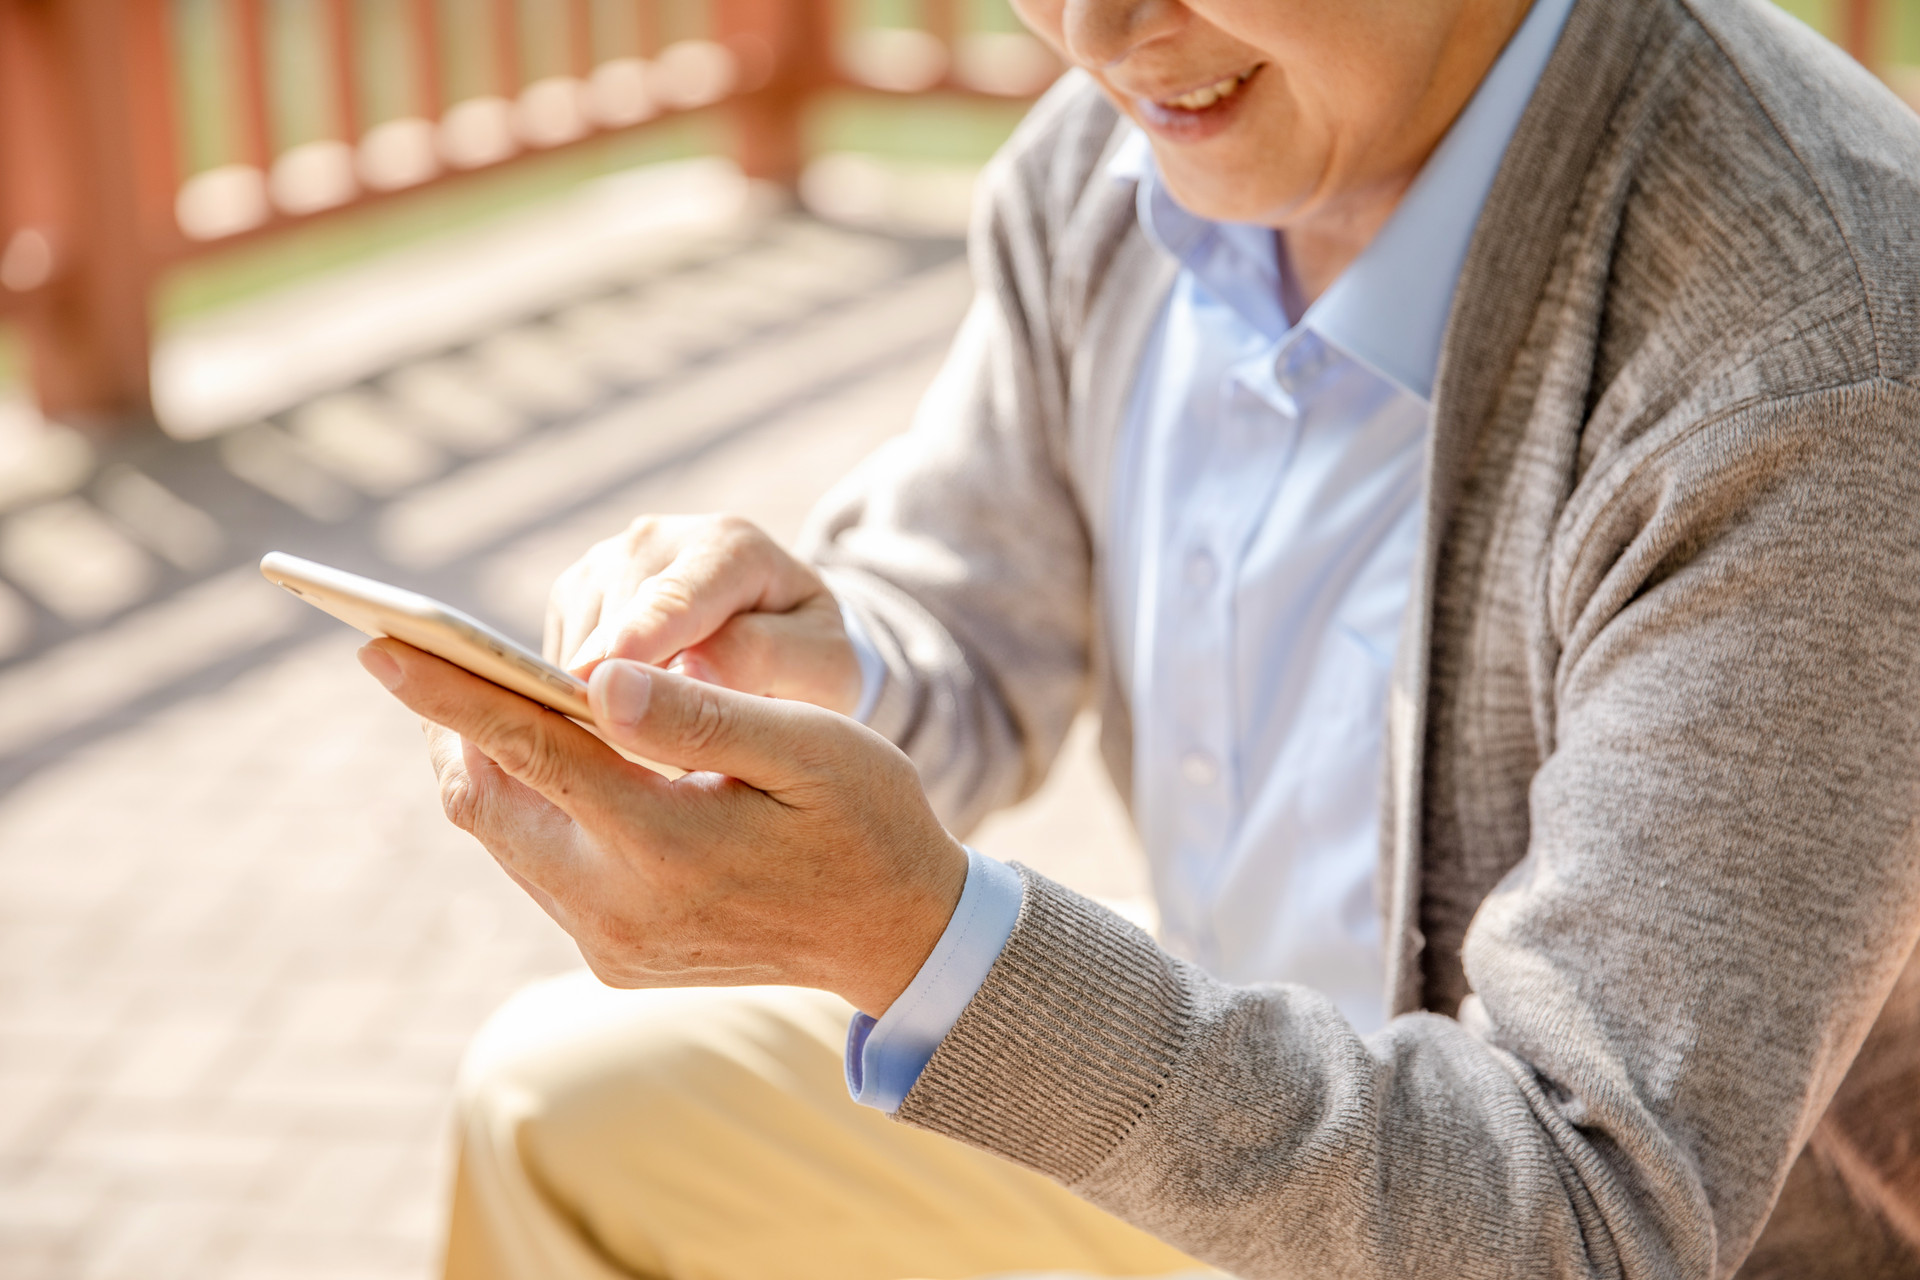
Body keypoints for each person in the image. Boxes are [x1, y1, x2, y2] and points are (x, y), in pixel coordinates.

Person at [357, 0, 1920, 1274]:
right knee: (552, 1105)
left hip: (1499, 1213)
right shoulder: (1120, 156)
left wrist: (926, 946)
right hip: (1208, 1097)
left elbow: (1592, 1221)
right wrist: (817, 668)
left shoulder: (1820, 366)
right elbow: (968, 615)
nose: (1092, 31)